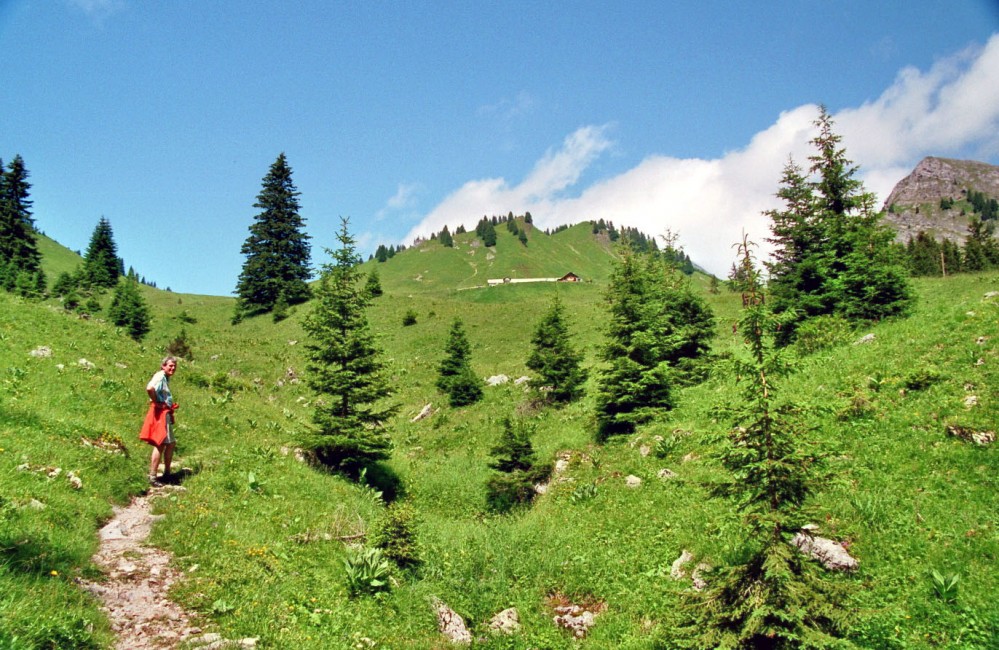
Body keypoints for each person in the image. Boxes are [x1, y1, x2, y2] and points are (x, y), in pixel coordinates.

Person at [138, 356, 179, 486]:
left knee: (170, 443)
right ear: (163, 366)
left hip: (164, 411)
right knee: (160, 443)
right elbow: (150, 388)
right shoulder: (160, 376)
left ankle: (166, 473)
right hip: (160, 412)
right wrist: (157, 402)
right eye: (170, 366)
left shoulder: (164, 377)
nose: (172, 368)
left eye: (174, 366)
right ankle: (153, 476)